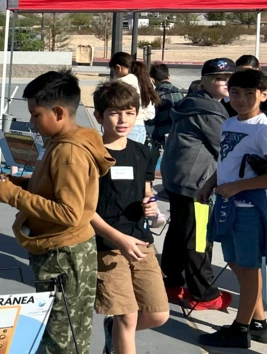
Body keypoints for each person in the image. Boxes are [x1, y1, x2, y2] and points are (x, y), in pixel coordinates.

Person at [0, 69, 113, 354]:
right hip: (64, 252)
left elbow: (69, 212)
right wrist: (21, 183)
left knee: (61, 339)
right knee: (64, 331)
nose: (32, 122)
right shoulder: (64, 142)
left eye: (36, 115)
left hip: (63, 255)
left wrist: (13, 194)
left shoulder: (67, 152)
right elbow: (56, 189)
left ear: (58, 112)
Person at [196, 69, 267, 348]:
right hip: (228, 205)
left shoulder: (263, 129)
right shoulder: (230, 123)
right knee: (236, 262)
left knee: (249, 270)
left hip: (249, 208)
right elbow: (226, 161)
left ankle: (240, 328)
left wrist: (239, 186)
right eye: (235, 93)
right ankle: (258, 322)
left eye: (250, 94)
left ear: (263, 95)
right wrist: (210, 183)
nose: (241, 99)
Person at [90, 81, 169, 354]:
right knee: (128, 315)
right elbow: (84, 209)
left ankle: (112, 331)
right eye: (114, 113)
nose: (123, 119)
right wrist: (118, 238)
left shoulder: (142, 152)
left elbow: (146, 191)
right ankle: (119, 337)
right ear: (99, 116)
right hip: (107, 245)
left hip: (141, 242)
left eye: (129, 112)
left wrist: (151, 205)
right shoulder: (91, 153)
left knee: (158, 314)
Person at [160, 58, 236, 311]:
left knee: (178, 234)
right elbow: (226, 148)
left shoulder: (193, 103)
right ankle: (203, 294)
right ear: (204, 80)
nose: (226, 83)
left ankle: (171, 283)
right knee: (199, 239)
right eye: (219, 78)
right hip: (196, 185)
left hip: (178, 179)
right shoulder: (209, 110)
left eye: (229, 78)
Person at [108, 52, 158, 145]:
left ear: (118, 67)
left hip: (124, 128)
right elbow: (150, 114)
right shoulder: (145, 81)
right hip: (141, 129)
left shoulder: (121, 83)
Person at [224, 55, 267, 122]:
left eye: (249, 93)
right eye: (240, 72)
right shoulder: (229, 87)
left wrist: (250, 115)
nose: (244, 75)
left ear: (258, 69)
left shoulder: (262, 89)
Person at [149, 63, 185, 159]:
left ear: (152, 79)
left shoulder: (154, 95)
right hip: (175, 134)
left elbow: (151, 119)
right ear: (169, 76)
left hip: (159, 136)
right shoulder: (179, 93)